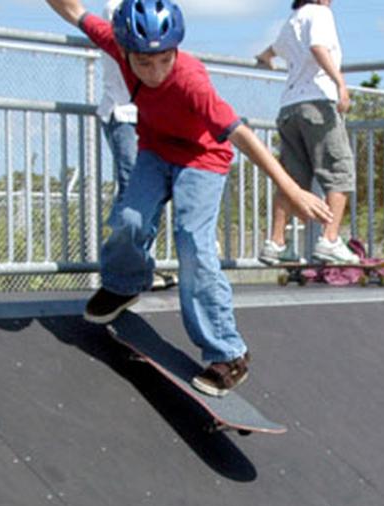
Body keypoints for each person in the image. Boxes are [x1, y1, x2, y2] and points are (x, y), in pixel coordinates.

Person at [45, 0, 333, 397]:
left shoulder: (191, 81)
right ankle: (125, 283)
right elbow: (75, 12)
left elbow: (244, 137)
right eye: (143, 64)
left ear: (175, 50)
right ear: (125, 50)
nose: (155, 72)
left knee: (193, 244)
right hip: (156, 151)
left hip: (203, 159)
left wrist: (292, 188)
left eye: (163, 60)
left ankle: (228, 353)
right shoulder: (115, 42)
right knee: (129, 220)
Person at [255, 0, 359, 265]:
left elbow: (268, 53)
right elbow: (318, 47)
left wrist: (265, 60)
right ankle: (330, 239)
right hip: (317, 104)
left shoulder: (293, 19)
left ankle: (276, 243)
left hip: (289, 108)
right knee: (340, 170)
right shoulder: (320, 13)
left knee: (292, 179)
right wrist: (341, 84)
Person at [98, 0, 176, 291]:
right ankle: (127, 272)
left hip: (144, 114)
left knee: (145, 195)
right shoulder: (119, 8)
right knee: (133, 192)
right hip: (124, 111)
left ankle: (135, 268)